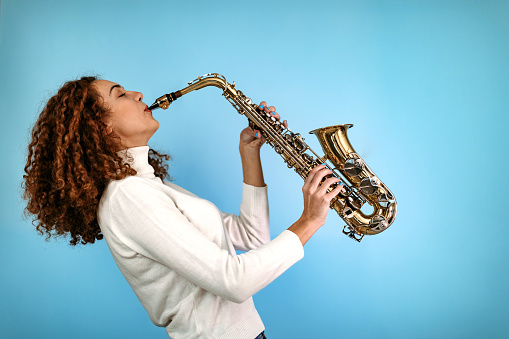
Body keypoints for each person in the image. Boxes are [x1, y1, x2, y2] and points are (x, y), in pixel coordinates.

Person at [23, 76, 344, 338]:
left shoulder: (147, 186)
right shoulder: (128, 197)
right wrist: (310, 221)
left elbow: (253, 237)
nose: (138, 94)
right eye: (120, 95)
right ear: (101, 126)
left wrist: (250, 153)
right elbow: (234, 281)